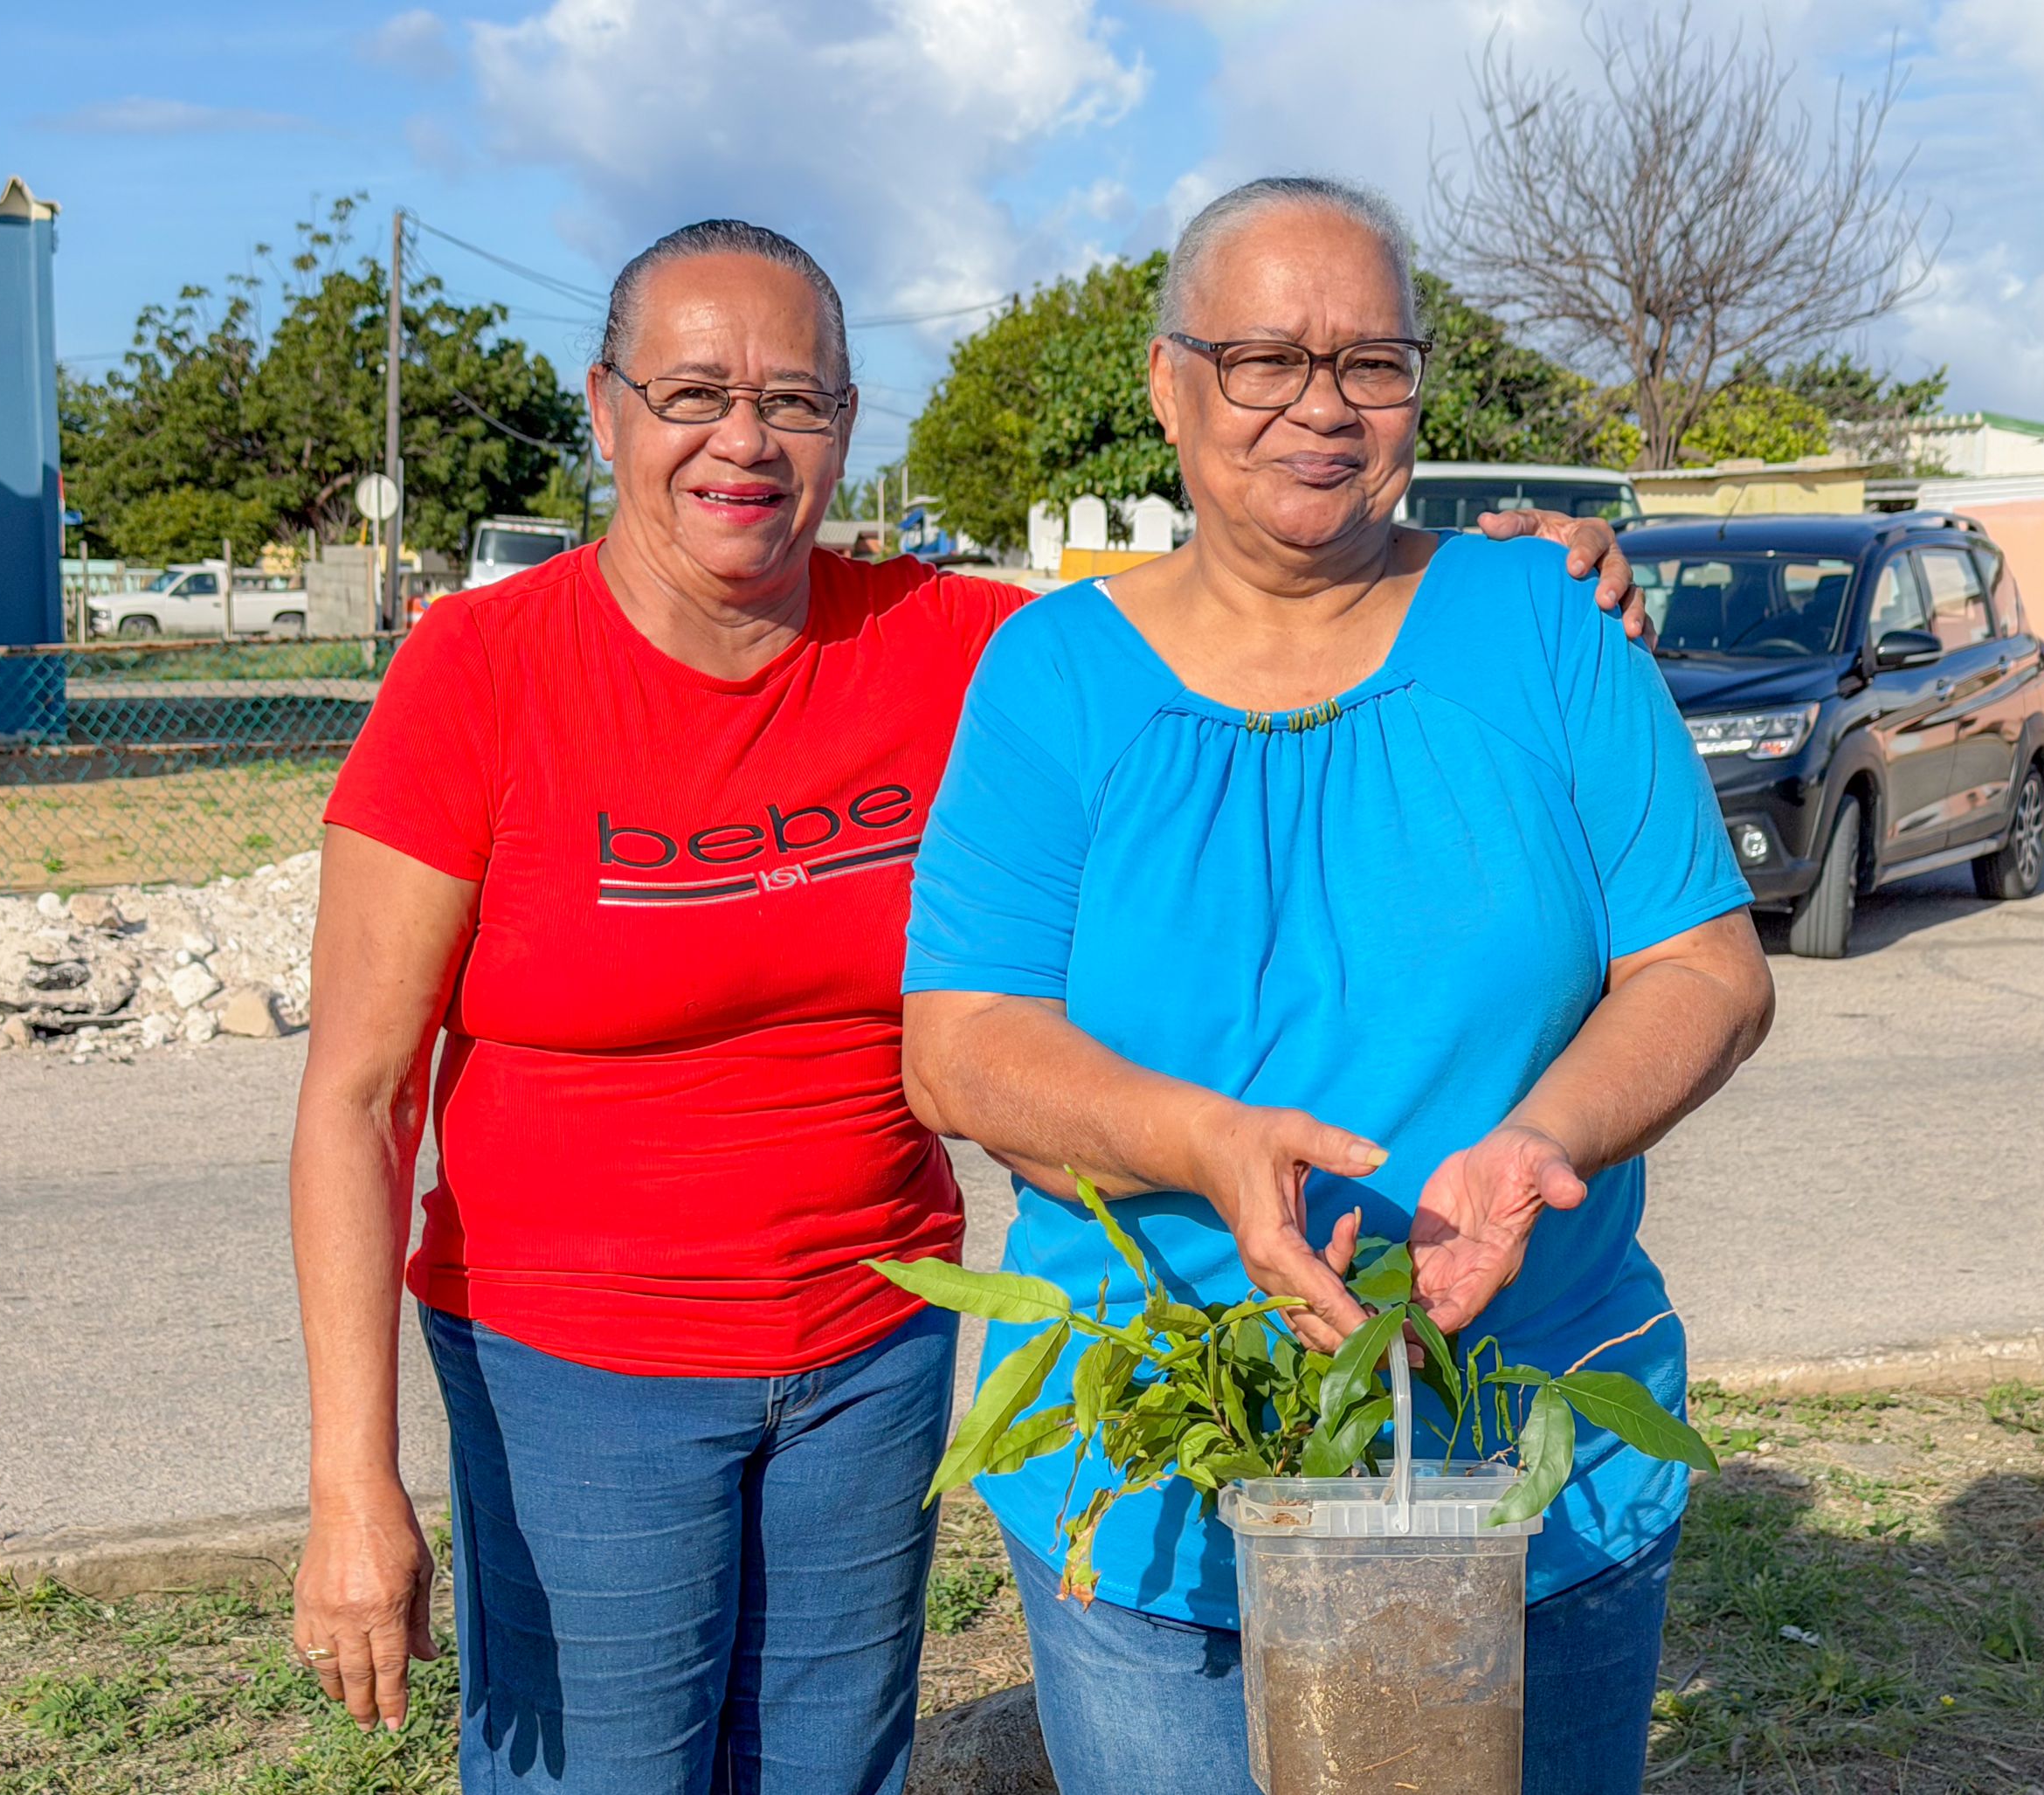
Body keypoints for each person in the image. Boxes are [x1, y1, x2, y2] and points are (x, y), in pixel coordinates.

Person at [286, 216, 1637, 1794]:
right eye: (692, 393)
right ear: (605, 412)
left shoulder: (952, 647)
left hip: (870, 1353)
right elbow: (356, 1100)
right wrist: (349, 1484)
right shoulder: (483, 669)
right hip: (579, 1370)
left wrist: (1504, 567)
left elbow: (1230, 611)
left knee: (828, 1769)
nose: (744, 439)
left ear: (848, 427)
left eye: (793, 400)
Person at [901, 176, 1776, 1795]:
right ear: (1170, 384)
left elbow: (1704, 968)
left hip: (1526, 1436)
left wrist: (1539, 1145)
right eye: (1264, 360)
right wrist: (1203, 1145)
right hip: (1165, 1448)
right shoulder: (1053, 680)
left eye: (1372, 363)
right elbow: (962, 1048)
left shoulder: (1550, 627)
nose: (1322, 407)